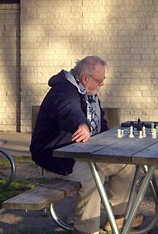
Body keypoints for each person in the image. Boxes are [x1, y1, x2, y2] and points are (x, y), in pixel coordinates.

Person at [29, 56, 143, 233]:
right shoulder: (63, 92)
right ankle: (86, 229)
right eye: (100, 80)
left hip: (83, 153)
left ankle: (119, 217)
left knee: (126, 164)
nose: (102, 84)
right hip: (55, 156)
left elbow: (101, 126)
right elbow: (70, 110)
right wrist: (81, 124)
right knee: (92, 175)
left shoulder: (89, 95)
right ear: (85, 79)